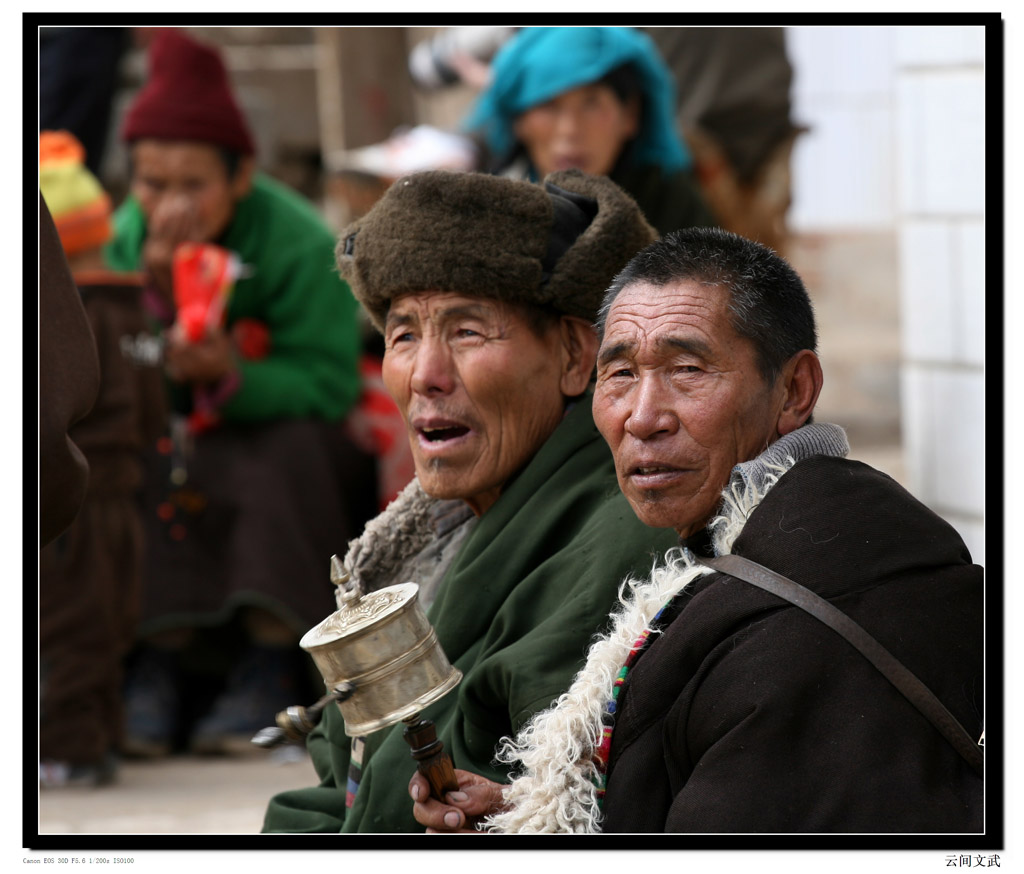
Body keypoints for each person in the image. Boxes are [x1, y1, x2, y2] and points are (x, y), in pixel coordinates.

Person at [408, 227, 984, 833]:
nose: (644, 416)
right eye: (622, 373)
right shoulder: (791, 543)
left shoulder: (796, 633)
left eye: (687, 369)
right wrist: (523, 818)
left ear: (794, 390)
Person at [261, 168, 680, 833]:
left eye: (466, 332)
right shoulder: (431, 544)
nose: (425, 374)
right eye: (403, 335)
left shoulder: (621, 541)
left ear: (577, 357)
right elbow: (342, 785)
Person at [104, 27, 375, 757]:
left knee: (283, 456)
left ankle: (265, 662)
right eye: (152, 184)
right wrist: (155, 294)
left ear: (241, 175)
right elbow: (111, 377)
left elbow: (326, 380)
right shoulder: (121, 241)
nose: (170, 206)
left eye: (193, 185)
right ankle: (154, 665)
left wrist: (230, 377)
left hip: (272, 433)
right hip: (174, 435)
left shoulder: (290, 239)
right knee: (137, 462)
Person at [38, 131, 168, 788]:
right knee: (111, 621)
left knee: (66, 627)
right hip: (124, 493)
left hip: (71, 500)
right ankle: (103, 735)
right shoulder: (134, 308)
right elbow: (152, 406)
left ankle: (71, 748)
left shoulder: (62, 312)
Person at [462, 26, 715, 237]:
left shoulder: (672, 202)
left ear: (630, 115)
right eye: (547, 104)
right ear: (518, 120)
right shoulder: (489, 210)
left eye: (592, 103)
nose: (570, 130)